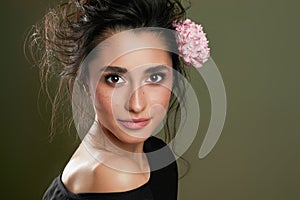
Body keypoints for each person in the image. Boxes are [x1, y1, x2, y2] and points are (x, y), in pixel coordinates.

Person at [26, 0, 210, 199]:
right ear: (86, 80)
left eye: (154, 77)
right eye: (115, 79)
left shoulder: (155, 153)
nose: (136, 104)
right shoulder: (112, 177)